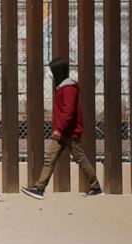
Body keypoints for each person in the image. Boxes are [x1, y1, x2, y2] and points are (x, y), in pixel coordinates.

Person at [22, 58, 103, 199]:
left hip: (69, 132)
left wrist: (59, 129)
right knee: (50, 159)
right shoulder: (63, 87)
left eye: (53, 71)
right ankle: (39, 188)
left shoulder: (69, 89)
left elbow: (68, 111)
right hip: (64, 131)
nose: (52, 75)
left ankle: (96, 187)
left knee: (80, 159)